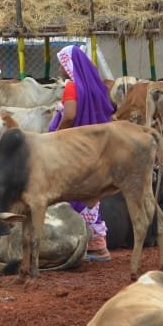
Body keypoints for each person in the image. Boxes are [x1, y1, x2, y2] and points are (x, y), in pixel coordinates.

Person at [49, 45, 115, 261]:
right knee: (90, 193)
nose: (60, 68)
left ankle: (77, 242)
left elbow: (70, 115)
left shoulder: (72, 86)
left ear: (70, 65)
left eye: (62, 63)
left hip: (73, 148)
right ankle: (98, 245)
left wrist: (56, 136)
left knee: (70, 191)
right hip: (94, 149)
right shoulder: (94, 87)